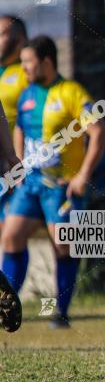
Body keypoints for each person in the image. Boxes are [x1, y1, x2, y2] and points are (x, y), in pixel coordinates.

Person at [1, 36, 105, 328]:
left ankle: (61, 312)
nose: (23, 69)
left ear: (46, 62)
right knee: (10, 236)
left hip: (60, 187)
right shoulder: (27, 95)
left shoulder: (71, 92)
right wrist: (19, 163)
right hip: (31, 184)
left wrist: (84, 174)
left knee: (62, 244)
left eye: (28, 63)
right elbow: (20, 130)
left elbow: (98, 131)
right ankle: (7, 305)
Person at [0, 15, 29, 238]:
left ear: (20, 39)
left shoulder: (27, 74)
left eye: (1, 34)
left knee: (11, 236)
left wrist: (13, 156)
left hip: (17, 168)